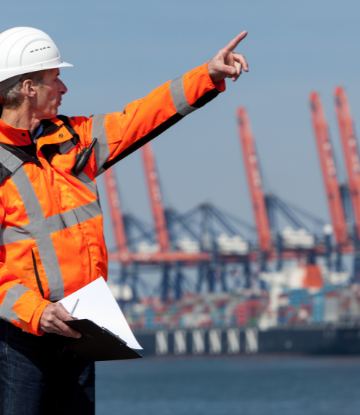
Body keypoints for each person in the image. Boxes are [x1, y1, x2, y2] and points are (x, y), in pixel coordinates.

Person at [0, 27, 248, 414]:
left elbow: (141, 116)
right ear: (29, 87)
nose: (63, 88)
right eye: (54, 79)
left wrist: (209, 75)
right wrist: (37, 311)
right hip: (21, 340)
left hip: (82, 331)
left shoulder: (75, 139)